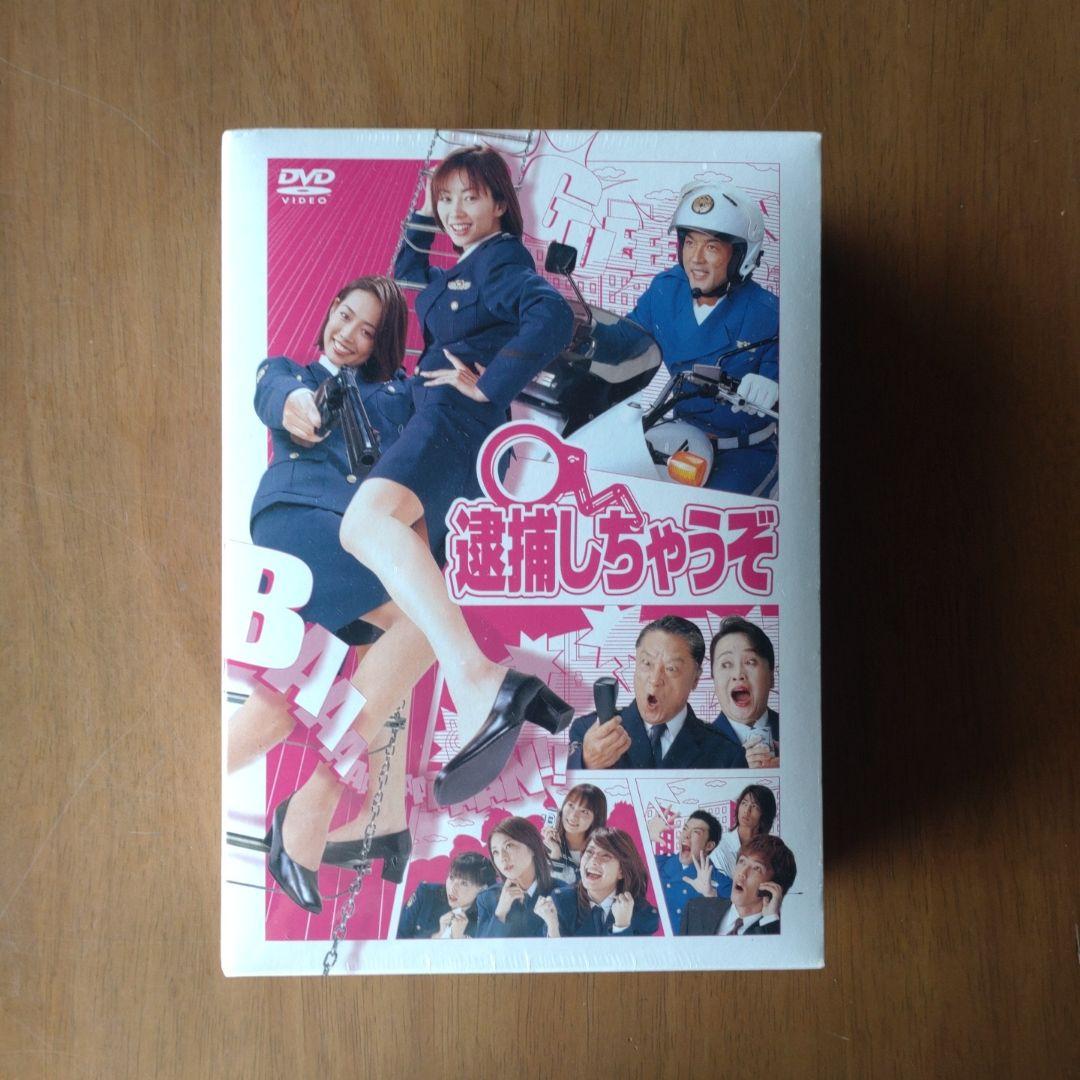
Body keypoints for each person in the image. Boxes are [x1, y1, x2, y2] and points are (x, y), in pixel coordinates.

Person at [339, 146, 576, 808]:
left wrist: (490, 384)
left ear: (501, 202)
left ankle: (479, 678)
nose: (456, 212)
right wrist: (424, 208)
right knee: (414, 579)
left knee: (364, 525)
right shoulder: (463, 269)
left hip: (452, 421)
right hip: (438, 423)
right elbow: (407, 271)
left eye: (470, 196)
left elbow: (553, 315)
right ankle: (495, 690)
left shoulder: (502, 264)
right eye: (446, 199)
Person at [226, 276, 439, 915]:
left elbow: (429, 446)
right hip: (300, 524)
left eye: (365, 330)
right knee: (428, 622)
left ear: (382, 343)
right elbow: (276, 394)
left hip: (361, 544)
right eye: (342, 316)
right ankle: (313, 805)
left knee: (306, 685)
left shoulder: (398, 394)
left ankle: (380, 815)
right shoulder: (292, 373)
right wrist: (299, 402)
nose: (345, 335)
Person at [595, 183, 779, 496]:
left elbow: (798, 388)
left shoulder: (766, 313)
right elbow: (624, 339)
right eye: (690, 242)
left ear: (740, 257)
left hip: (742, 453)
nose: (696, 259)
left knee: (712, 518)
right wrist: (576, 329)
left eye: (712, 247)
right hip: (680, 441)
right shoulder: (666, 290)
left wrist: (775, 389)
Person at [567, 616, 748, 770]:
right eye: (646, 663)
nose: (655, 679)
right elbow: (565, 793)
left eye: (671, 668)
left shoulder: (726, 752)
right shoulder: (589, 733)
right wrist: (587, 763)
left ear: (695, 679)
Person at [547, 828, 660, 937]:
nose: (593, 860)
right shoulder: (561, 902)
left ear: (621, 871)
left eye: (606, 856)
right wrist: (552, 927)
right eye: (589, 852)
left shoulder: (643, 915)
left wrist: (621, 926)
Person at [680, 834, 797, 936]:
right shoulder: (694, 910)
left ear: (773, 887)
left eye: (756, 868)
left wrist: (770, 920)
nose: (742, 873)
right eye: (742, 861)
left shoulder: (776, 929)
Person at [710, 615, 780, 768]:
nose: (738, 674)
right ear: (714, 679)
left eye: (750, 662)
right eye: (726, 664)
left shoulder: (798, 733)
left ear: (771, 677)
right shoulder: (698, 747)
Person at [476, 818, 559, 938]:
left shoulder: (561, 893)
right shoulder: (486, 899)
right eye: (496, 852)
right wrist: (500, 913)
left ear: (532, 847)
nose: (503, 858)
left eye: (509, 846)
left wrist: (553, 926)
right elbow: (483, 949)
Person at [649, 810, 731, 931]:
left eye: (696, 832)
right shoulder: (658, 863)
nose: (686, 835)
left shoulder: (721, 883)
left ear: (709, 846)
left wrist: (712, 895)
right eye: (685, 829)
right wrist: (645, 835)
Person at [396, 851, 497, 940]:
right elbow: (397, 938)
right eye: (451, 877)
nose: (453, 888)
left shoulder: (489, 918)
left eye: (464, 883)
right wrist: (438, 936)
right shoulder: (425, 894)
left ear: (483, 889)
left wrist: (460, 940)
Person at [541, 784, 608, 885]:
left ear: (596, 819)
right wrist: (555, 854)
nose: (573, 816)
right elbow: (546, 889)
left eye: (584, 811)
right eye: (571, 805)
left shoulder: (601, 853)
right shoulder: (544, 848)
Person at [710, 783, 777, 879]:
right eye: (744, 803)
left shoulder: (770, 851)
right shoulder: (720, 845)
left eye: (754, 806)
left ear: (765, 814)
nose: (747, 810)